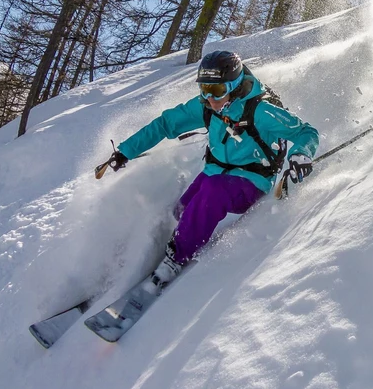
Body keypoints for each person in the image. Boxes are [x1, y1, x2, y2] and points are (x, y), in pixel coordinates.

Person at [98, 50, 319, 291]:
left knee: (211, 196)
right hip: (215, 172)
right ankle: (163, 248)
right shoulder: (206, 106)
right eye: (204, 88)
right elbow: (166, 123)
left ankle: (175, 258)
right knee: (182, 210)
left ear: (234, 87)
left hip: (252, 179)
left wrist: (302, 154)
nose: (210, 98)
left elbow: (306, 132)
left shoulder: (261, 111)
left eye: (217, 90)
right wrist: (126, 151)